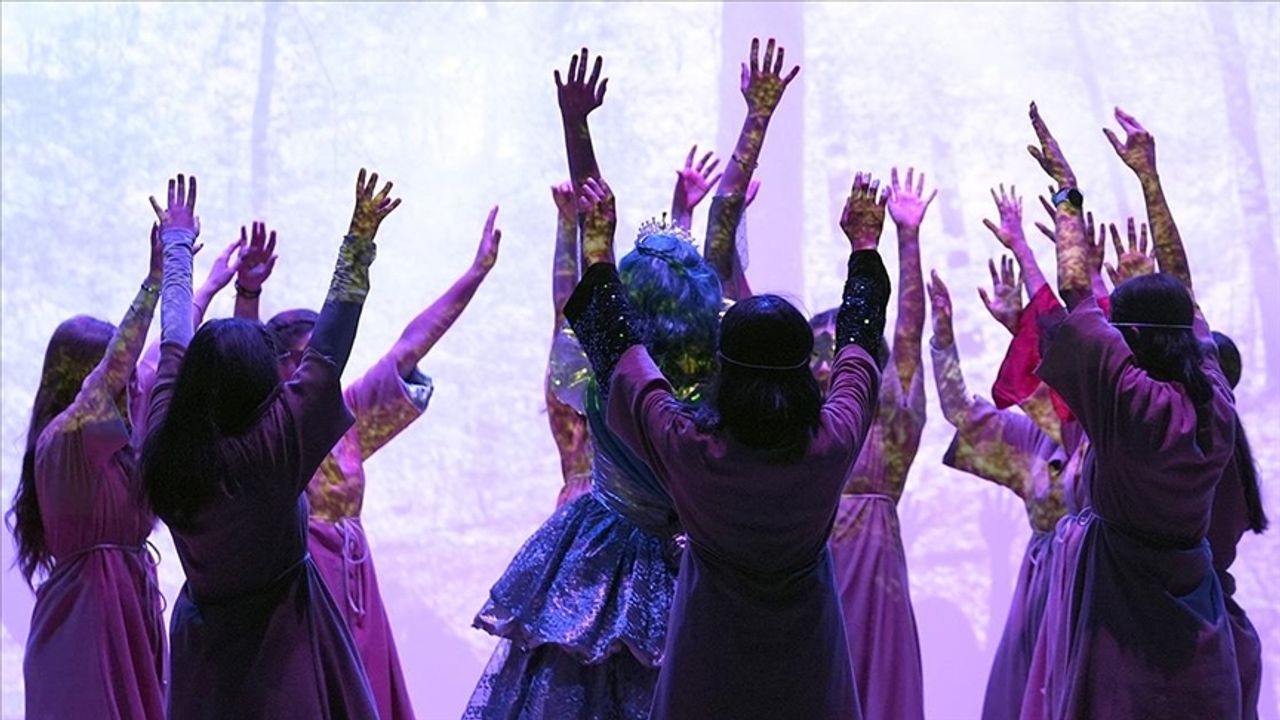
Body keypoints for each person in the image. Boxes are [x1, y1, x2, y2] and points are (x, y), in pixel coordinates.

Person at [466, 41, 791, 720]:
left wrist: (576, 127)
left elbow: (595, 253)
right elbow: (723, 223)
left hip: (600, 553)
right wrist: (755, 121)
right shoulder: (712, 381)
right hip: (698, 565)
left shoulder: (612, 366)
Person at [567, 160, 888, 718]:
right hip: (808, 661)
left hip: (708, 661)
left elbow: (620, 356)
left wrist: (598, 252)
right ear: (805, 369)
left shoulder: (691, 448)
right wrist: (865, 247)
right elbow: (860, 342)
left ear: (724, 369)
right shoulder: (832, 441)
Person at [141, 171, 397, 718]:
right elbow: (329, 347)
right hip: (284, 640)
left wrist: (179, 246)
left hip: (203, 649)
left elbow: (175, 340)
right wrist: (360, 239)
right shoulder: (274, 453)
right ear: (263, 380)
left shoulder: (167, 445)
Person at [1019, 101, 1241, 719]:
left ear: (1130, 337)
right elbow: (1184, 291)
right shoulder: (1214, 397)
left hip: (1122, 610)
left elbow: (1075, 290)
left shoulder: (1129, 400)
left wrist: (1067, 192)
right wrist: (1149, 179)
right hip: (1195, 614)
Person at [1105, 104, 1267, 719]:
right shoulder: (1214, 426)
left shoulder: (1148, 419)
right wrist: (1149, 179)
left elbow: (1176, 314)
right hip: (1213, 637)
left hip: (1146, 641)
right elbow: (1184, 308)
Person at [8, 224, 167, 719]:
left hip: (129, 620)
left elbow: (160, 359)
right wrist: (156, 279)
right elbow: (120, 367)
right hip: (85, 631)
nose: (131, 383)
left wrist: (209, 284)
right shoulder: (64, 439)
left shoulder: (114, 440)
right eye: (117, 374)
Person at [926, 267, 1067, 720]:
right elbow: (961, 412)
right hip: (1042, 586)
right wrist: (943, 341)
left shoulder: (1106, 432)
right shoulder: (1032, 439)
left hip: (1095, 581)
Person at [819, 166, 933, 720]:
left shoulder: (888, 432)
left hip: (875, 578)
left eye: (832, 352)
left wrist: (907, 238)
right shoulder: (807, 436)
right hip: (811, 573)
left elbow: (908, 333)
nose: (824, 365)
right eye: (815, 354)